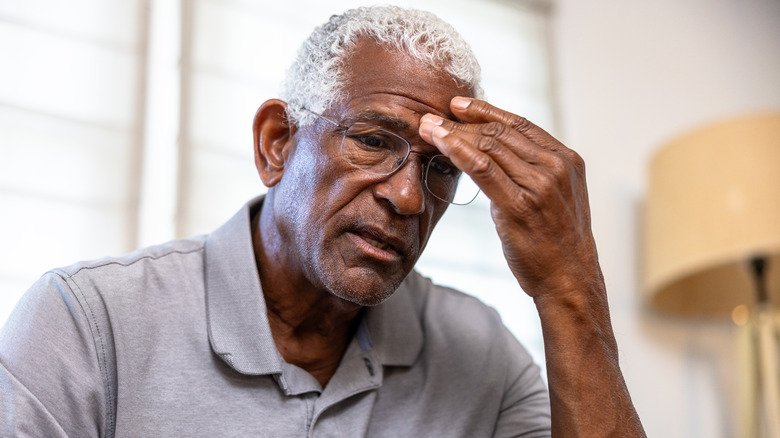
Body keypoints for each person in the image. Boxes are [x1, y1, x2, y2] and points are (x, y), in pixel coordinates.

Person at [0, 6, 645, 437]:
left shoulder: (481, 355)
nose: (409, 199)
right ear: (276, 143)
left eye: (441, 169)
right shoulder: (87, 323)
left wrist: (570, 289)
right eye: (372, 140)